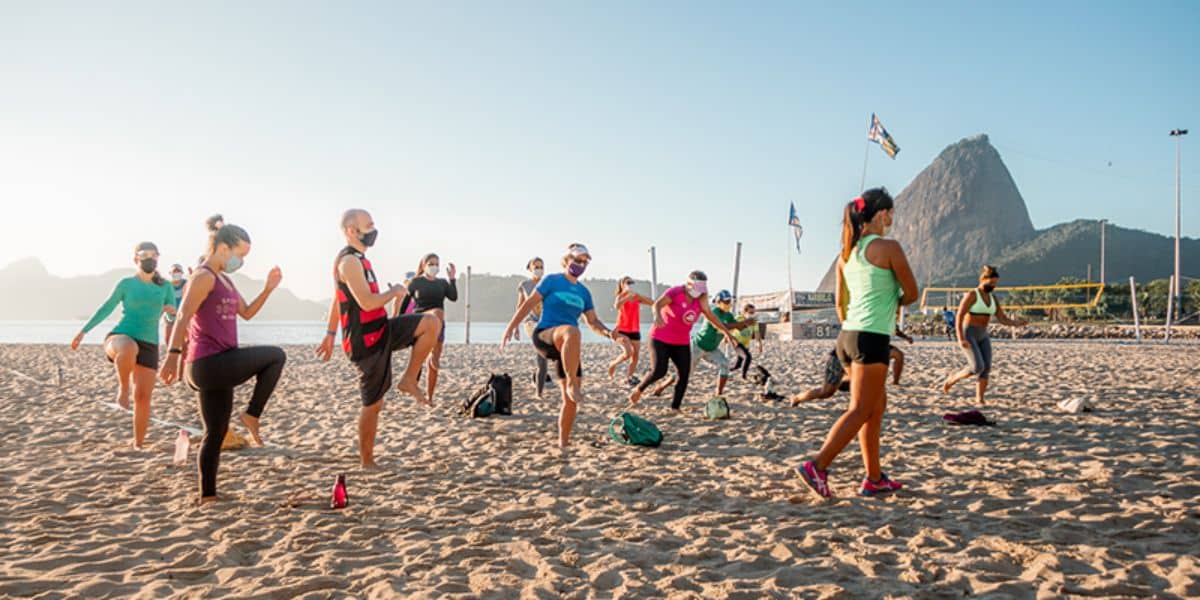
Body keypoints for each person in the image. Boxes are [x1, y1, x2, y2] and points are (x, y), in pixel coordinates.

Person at [797, 188, 918, 499]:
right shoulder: (888, 248)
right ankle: (817, 466)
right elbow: (912, 293)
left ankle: (874, 478)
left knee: (875, 409)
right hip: (871, 336)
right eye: (890, 213)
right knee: (860, 408)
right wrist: (893, 301)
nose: (892, 218)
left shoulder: (846, 254)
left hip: (848, 336)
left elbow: (841, 303)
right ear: (880, 214)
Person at [159, 216, 287, 504]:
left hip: (220, 364)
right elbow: (183, 316)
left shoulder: (224, 279)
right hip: (207, 362)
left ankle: (208, 496)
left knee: (214, 433)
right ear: (223, 248)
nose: (241, 261)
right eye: (240, 255)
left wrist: (268, 288)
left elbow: (248, 312)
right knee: (276, 356)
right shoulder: (203, 276)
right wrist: (172, 356)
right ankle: (252, 414)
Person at [316, 209, 440, 469]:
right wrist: (394, 291)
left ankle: (409, 379)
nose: (373, 230)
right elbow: (367, 302)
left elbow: (337, 301)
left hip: (381, 328)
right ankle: (367, 462)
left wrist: (329, 334)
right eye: (368, 225)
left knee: (431, 323)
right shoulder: (348, 262)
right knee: (373, 403)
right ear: (352, 231)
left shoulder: (360, 260)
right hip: (363, 340)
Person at [502, 244, 617, 448]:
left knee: (570, 399)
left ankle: (563, 442)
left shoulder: (584, 292)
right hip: (546, 334)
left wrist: (610, 333)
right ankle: (572, 382)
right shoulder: (552, 281)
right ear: (567, 260)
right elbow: (528, 304)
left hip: (567, 346)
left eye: (584, 262)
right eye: (577, 260)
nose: (580, 264)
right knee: (572, 331)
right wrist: (512, 326)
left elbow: (593, 321)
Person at [71, 242, 176, 449]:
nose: (150, 259)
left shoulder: (165, 287)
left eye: (154, 255)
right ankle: (123, 387)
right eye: (145, 255)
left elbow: (173, 319)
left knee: (143, 397)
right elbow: (106, 308)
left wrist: (171, 313)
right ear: (136, 259)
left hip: (149, 343)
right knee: (129, 348)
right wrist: (83, 331)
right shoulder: (126, 284)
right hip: (120, 338)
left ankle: (138, 443)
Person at [628, 271, 736, 410]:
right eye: (697, 289)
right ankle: (639, 389)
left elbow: (711, 316)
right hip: (660, 338)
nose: (700, 292)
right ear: (689, 284)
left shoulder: (701, 298)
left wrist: (726, 332)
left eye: (702, 290)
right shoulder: (676, 292)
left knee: (684, 375)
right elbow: (657, 304)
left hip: (681, 342)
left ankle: (675, 407)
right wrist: (657, 316)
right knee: (659, 370)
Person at [941, 265, 1028, 406]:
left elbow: (1002, 318)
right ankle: (952, 379)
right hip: (969, 332)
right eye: (992, 283)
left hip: (983, 334)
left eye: (995, 283)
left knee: (986, 367)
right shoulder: (972, 294)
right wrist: (960, 337)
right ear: (983, 279)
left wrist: (1017, 323)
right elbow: (959, 316)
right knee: (977, 367)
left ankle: (979, 398)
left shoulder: (993, 298)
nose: (994, 286)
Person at [790, 325, 912, 405]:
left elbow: (894, 328)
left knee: (898, 355)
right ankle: (798, 398)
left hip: (870, 349)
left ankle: (895, 382)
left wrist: (905, 337)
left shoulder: (885, 310)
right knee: (826, 392)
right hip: (843, 353)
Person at [399, 253, 458, 404]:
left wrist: (452, 278)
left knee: (433, 363)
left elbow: (453, 297)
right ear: (424, 265)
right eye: (431, 264)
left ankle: (430, 397)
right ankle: (414, 387)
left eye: (436, 264)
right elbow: (405, 303)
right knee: (436, 313)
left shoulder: (442, 283)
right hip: (420, 321)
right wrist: (399, 321)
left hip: (438, 323)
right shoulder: (416, 282)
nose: (434, 267)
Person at [689, 289, 756, 396]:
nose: (728, 304)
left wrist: (748, 323)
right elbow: (722, 326)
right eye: (726, 302)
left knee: (725, 364)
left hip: (712, 348)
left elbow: (738, 327)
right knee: (686, 374)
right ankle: (663, 386)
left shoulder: (728, 315)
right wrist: (742, 323)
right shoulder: (713, 312)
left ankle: (719, 393)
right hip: (697, 346)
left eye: (729, 302)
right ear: (718, 302)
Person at [607, 276, 654, 387]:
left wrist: (639, 296)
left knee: (635, 355)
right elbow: (617, 306)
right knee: (628, 353)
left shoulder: (636, 297)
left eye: (632, 282)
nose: (630, 284)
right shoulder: (620, 296)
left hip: (635, 329)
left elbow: (652, 302)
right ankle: (613, 364)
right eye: (628, 282)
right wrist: (627, 296)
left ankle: (628, 378)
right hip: (621, 330)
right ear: (622, 284)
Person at [515, 258, 550, 398]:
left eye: (541, 266)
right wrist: (515, 326)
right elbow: (520, 307)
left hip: (547, 322)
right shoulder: (524, 285)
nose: (539, 269)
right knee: (540, 343)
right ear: (530, 268)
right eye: (536, 267)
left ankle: (539, 386)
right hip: (531, 323)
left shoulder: (548, 284)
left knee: (543, 356)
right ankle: (539, 391)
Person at [729, 302, 763, 380]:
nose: (752, 314)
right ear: (745, 312)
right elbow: (730, 327)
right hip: (737, 343)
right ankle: (743, 376)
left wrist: (759, 344)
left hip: (746, 345)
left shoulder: (754, 322)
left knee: (738, 365)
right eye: (750, 312)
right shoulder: (738, 318)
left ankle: (728, 371)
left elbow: (757, 334)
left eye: (754, 313)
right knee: (748, 357)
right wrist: (727, 337)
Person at [162, 263, 187, 352]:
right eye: (174, 271)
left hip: (184, 318)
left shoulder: (186, 284)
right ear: (170, 273)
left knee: (185, 341)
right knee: (168, 339)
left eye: (178, 271)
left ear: (182, 273)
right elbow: (161, 302)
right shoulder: (166, 286)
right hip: (170, 318)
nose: (176, 273)